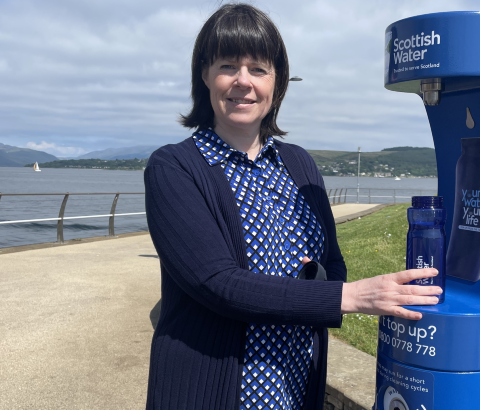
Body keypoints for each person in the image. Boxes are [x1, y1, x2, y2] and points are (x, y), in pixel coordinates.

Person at [143, 4, 442, 410]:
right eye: (228, 66)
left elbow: (332, 260)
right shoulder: (175, 167)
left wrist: (319, 280)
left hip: (296, 385)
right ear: (205, 75)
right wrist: (347, 297)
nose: (243, 81)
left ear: (278, 81)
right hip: (215, 388)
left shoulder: (298, 163)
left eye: (258, 69)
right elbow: (217, 283)